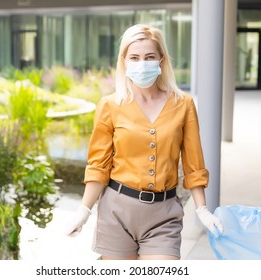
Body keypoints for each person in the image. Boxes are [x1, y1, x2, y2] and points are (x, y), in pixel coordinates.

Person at [64, 24, 223, 260]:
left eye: (149, 57)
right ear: (124, 61)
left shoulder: (184, 104)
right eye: (135, 57)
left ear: (161, 60)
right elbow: (99, 166)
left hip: (164, 215)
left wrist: (202, 209)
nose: (142, 63)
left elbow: (194, 164)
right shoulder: (110, 105)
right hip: (116, 213)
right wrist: (84, 210)